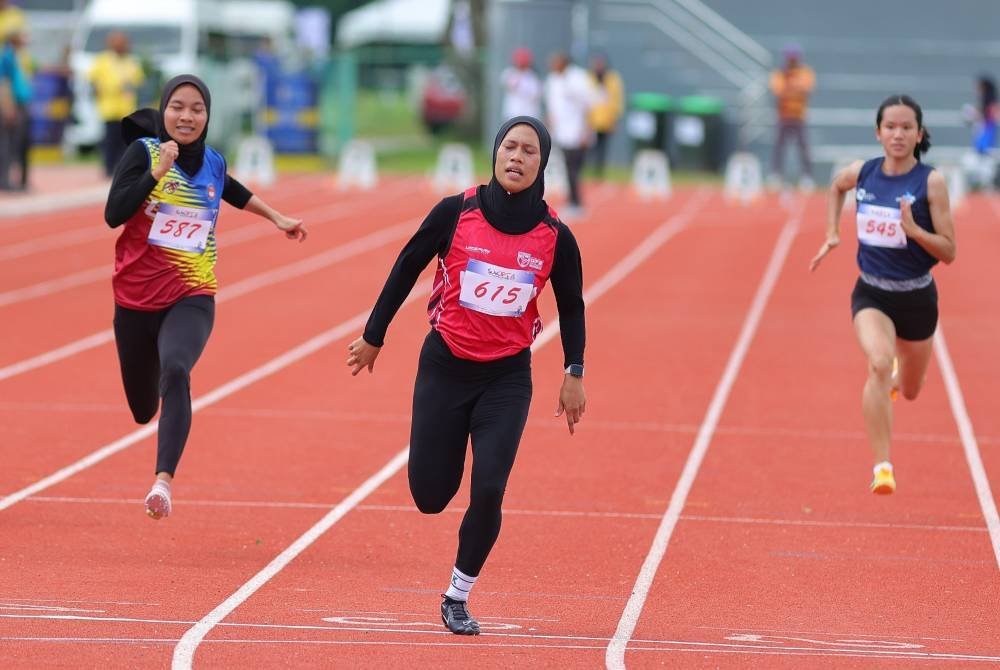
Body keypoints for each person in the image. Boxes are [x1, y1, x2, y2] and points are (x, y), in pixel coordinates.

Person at [346, 116, 586, 635]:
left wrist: (574, 372)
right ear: (495, 153)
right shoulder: (457, 212)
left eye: (529, 151)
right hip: (445, 365)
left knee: (490, 487)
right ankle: (440, 475)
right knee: (431, 496)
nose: (517, 158)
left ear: (542, 164)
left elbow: (573, 304)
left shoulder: (554, 236)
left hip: (506, 379)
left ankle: (458, 594)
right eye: (509, 147)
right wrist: (374, 334)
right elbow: (407, 264)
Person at [105, 74, 308, 519]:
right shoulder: (143, 154)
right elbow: (113, 214)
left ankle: (163, 482)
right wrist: (156, 173)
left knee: (176, 369)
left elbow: (232, 190)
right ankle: (156, 375)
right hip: (135, 301)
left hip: (191, 294)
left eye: (197, 109)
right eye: (178, 106)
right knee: (142, 409)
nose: (187, 116)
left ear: (208, 117)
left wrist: (275, 217)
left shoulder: (213, 162)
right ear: (164, 112)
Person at [809, 94, 956, 495]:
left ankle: (896, 380)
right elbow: (836, 186)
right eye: (890, 127)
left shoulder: (931, 182)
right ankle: (882, 466)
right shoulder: (864, 173)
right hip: (872, 294)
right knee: (877, 363)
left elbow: (949, 252)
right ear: (878, 133)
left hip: (917, 299)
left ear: (919, 134)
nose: (898, 134)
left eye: (906, 127)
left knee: (910, 390)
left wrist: (916, 232)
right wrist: (832, 233)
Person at [545, 52, 597, 217]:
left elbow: (588, 105)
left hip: (577, 131)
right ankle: (573, 200)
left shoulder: (578, 78)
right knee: (568, 167)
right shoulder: (553, 80)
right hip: (562, 132)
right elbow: (553, 106)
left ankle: (575, 202)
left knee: (574, 167)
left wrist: (587, 130)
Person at [89, 31, 144, 177]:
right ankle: (108, 170)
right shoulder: (102, 60)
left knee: (125, 142)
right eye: (117, 42)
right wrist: (98, 92)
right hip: (109, 108)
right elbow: (93, 80)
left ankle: (122, 169)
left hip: (126, 109)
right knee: (110, 141)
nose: (120, 46)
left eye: (123, 42)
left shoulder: (131, 61)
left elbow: (138, 82)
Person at [769, 44, 815, 190]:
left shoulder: (805, 72)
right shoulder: (780, 73)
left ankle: (807, 177)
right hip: (783, 116)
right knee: (779, 147)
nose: (792, 60)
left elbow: (806, 88)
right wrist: (794, 87)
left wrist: (791, 86)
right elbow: (778, 90)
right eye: (790, 57)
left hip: (799, 116)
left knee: (803, 147)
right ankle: (776, 175)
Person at [0, 25, 30, 191]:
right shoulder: (7, 57)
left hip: (20, 103)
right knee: (8, 144)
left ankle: (17, 180)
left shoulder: (18, 56)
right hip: (12, 104)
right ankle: (5, 180)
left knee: (18, 144)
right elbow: (4, 83)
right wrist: (7, 107)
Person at [587, 53, 624, 178]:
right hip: (591, 120)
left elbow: (616, 100)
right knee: (589, 148)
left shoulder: (612, 79)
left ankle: (599, 172)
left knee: (603, 148)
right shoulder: (589, 78)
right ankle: (588, 171)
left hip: (606, 120)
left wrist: (614, 119)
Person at [500, 47, 542, 121]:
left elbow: (536, 94)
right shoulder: (510, 72)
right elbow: (509, 85)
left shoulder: (533, 76)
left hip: (529, 114)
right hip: (513, 113)